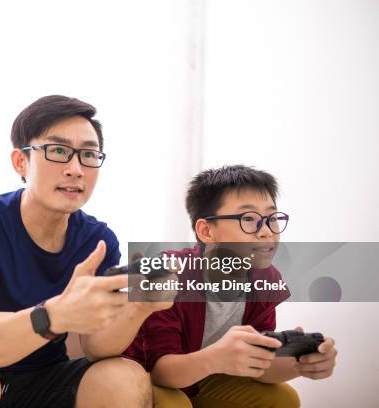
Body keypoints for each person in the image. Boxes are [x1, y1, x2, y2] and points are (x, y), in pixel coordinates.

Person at [0, 95, 171, 408]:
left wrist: (139, 307)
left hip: (49, 373)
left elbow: (95, 347)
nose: (76, 169)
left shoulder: (99, 239)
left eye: (89, 154)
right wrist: (56, 314)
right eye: (58, 151)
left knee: (125, 376)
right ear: (20, 161)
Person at [124, 165, 338, 408]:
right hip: (143, 377)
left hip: (202, 377)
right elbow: (159, 370)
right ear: (206, 231)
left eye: (272, 218)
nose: (266, 232)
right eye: (249, 219)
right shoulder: (169, 273)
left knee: (284, 399)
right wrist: (215, 359)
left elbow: (257, 364)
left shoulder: (265, 279)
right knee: (176, 404)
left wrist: (298, 364)